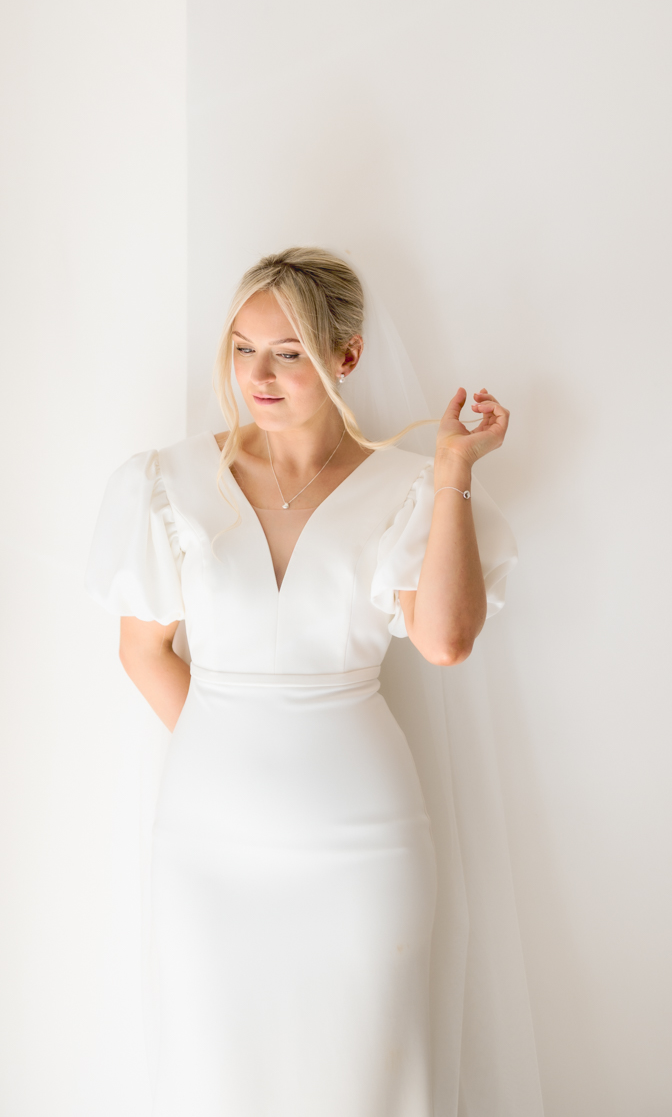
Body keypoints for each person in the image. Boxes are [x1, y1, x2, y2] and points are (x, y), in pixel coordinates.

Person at [85, 247, 519, 1117]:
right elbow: (144, 653)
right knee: (215, 1078)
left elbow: (446, 639)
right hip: (206, 853)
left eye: (288, 352)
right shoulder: (167, 481)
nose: (259, 374)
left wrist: (452, 475)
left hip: (362, 849)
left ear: (346, 357)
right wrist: (237, 747)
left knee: (364, 1082)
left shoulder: (407, 489)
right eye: (244, 349)